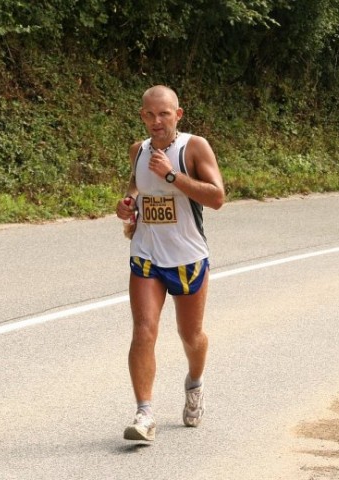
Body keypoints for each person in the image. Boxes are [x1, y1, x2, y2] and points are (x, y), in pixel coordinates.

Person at [116, 85, 224, 442]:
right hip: (146, 255)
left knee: (190, 335)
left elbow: (217, 197)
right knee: (144, 331)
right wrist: (127, 203)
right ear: (142, 116)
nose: (156, 121)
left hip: (188, 257)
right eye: (149, 114)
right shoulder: (138, 151)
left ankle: (194, 383)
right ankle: (144, 413)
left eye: (164, 114)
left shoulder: (194, 147)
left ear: (178, 115)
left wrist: (172, 176)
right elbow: (135, 186)